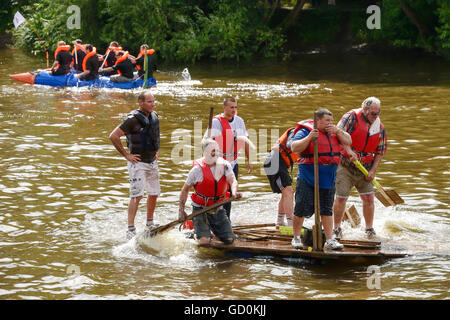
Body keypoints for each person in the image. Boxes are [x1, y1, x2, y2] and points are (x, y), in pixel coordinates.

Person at [290, 108, 352, 250]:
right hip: (308, 176)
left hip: (328, 177)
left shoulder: (335, 132)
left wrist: (338, 131)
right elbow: (294, 147)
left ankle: (330, 239)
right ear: (318, 121)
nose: (330, 123)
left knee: (326, 209)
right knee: (301, 207)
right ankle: (296, 238)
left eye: (332, 121)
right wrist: (310, 138)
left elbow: (348, 141)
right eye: (327, 121)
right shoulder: (306, 131)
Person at [332, 97, 387, 240]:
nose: (376, 116)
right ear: (365, 110)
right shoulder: (351, 117)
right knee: (341, 197)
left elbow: (380, 152)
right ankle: (336, 228)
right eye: (373, 113)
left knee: (369, 198)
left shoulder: (379, 126)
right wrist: (349, 151)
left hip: (365, 169)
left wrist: (373, 171)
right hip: (345, 165)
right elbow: (337, 133)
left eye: (378, 113)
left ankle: (369, 229)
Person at [109, 91, 160, 239]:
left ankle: (150, 222)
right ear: (141, 102)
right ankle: (130, 228)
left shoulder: (155, 116)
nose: (152, 104)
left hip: (152, 161)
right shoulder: (132, 120)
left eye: (153, 101)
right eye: (149, 101)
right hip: (138, 163)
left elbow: (155, 135)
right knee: (137, 195)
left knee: (154, 193)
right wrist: (127, 155)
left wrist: (156, 152)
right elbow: (113, 136)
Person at [178, 138, 241, 245]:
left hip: (217, 208)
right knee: (204, 242)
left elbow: (232, 180)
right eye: (212, 150)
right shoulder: (197, 170)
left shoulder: (225, 165)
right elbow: (185, 190)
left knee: (229, 240)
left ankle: (209, 230)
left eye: (216, 150)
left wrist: (234, 192)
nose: (215, 153)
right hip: (200, 209)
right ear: (204, 152)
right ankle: (195, 234)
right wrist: (181, 211)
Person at [204, 97, 252, 220]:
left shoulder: (239, 121)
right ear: (224, 108)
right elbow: (206, 142)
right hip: (218, 163)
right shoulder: (216, 122)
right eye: (231, 107)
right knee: (217, 192)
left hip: (233, 162)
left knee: (230, 192)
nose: (234, 110)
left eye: (235, 107)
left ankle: (226, 220)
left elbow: (245, 141)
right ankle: (212, 218)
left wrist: (249, 160)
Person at [263, 126, 298, 227]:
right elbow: (289, 144)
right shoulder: (297, 132)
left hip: (280, 162)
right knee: (288, 191)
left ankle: (280, 221)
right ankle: (291, 223)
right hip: (274, 160)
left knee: (286, 192)